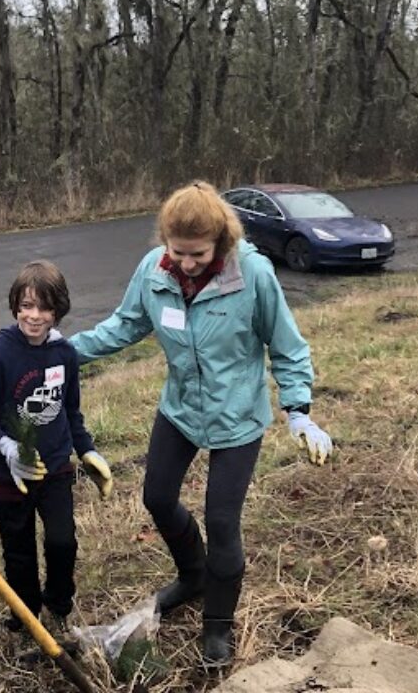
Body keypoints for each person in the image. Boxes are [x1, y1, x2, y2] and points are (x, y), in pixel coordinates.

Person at [68, 181, 332, 666]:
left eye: (198, 253)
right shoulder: (154, 271)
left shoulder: (252, 275)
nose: (187, 263)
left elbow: (288, 346)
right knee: (157, 498)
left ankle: (218, 627)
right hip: (181, 409)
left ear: (222, 243)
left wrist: (299, 412)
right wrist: (65, 352)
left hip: (238, 417)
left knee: (222, 520)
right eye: (178, 252)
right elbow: (125, 325)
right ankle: (193, 576)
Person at [0, 260, 113, 633]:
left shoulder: (64, 355)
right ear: (15, 304)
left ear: (57, 310)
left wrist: (88, 450)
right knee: (19, 552)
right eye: (27, 305)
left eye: (44, 307)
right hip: (10, 476)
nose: (34, 316)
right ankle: (26, 614)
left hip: (56, 469)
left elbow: (70, 410)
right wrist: (8, 448)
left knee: (63, 542)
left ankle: (59, 604)